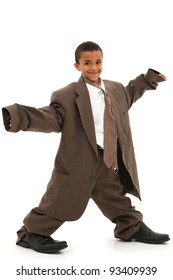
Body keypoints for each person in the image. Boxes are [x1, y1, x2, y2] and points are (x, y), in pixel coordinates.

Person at [2, 41, 170, 254]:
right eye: (87, 63)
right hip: (78, 161)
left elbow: (130, 94)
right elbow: (50, 117)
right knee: (60, 201)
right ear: (77, 66)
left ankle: (131, 227)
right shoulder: (67, 95)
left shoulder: (115, 89)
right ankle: (31, 234)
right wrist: (17, 117)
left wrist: (148, 79)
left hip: (108, 160)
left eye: (98, 62)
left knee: (115, 196)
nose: (94, 67)